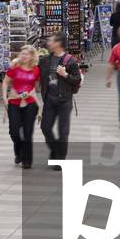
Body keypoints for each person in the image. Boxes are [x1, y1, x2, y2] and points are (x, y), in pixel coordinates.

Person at [39, 33, 83, 165]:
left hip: (64, 100)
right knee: (45, 127)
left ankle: (60, 159)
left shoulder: (70, 61)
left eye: (51, 41)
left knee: (63, 132)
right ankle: (55, 149)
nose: (48, 43)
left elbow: (77, 80)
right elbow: (34, 70)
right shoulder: (45, 60)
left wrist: (65, 75)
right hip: (49, 99)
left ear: (58, 43)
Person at [3, 45, 40, 169]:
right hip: (14, 103)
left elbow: (36, 85)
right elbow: (5, 82)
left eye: (27, 54)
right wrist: (4, 98)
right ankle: (18, 152)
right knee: (14, 131)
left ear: (31, 56)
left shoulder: (35, 69)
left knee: (28, 132)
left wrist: (31, 93)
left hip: (30, 103)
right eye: (22, 53)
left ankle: (27, 160)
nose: (24, 56)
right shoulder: (14, 67)